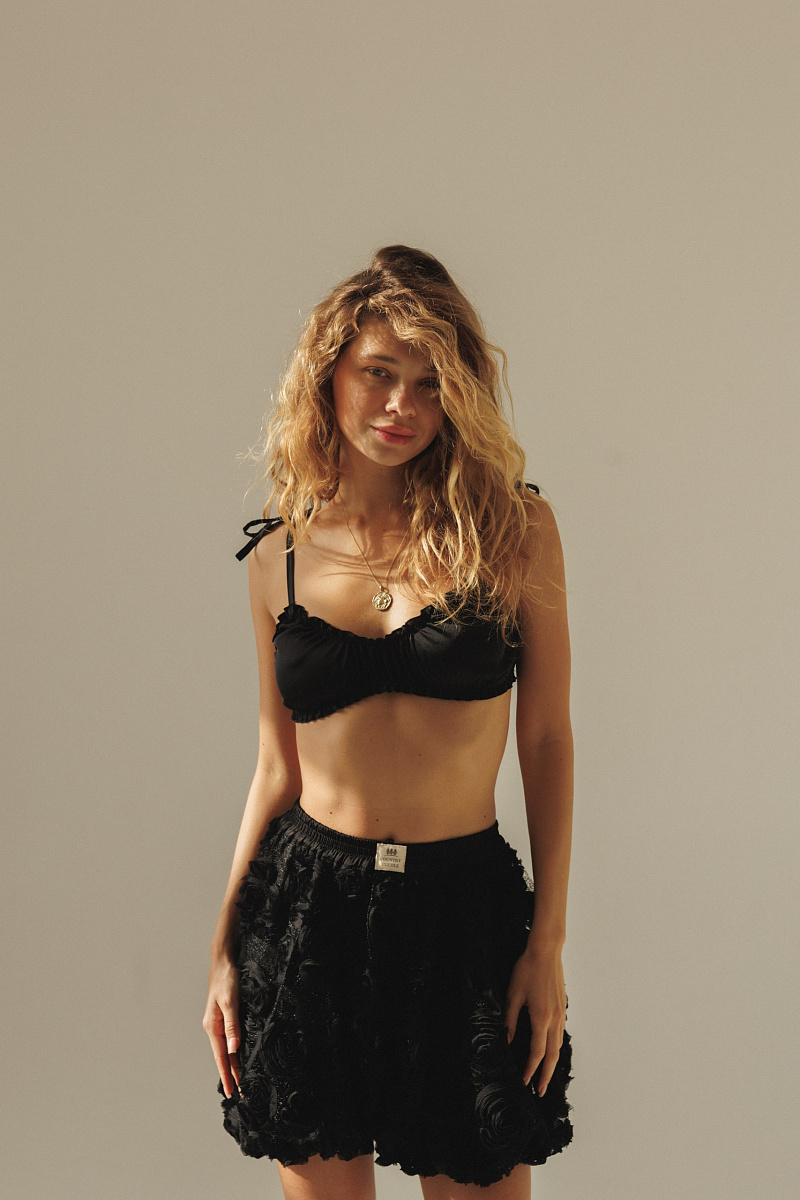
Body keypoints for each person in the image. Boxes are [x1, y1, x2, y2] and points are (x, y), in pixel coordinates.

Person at [203, 245, 574, 1199]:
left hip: (464, 916)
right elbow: (275, 768)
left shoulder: (513, 533)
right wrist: (223, 946)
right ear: (329, 375)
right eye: (378, 373)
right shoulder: (277, 559)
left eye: (429, 383)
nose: (401, 405)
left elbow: (545, 740)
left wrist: (546, 943)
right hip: (308, 914)